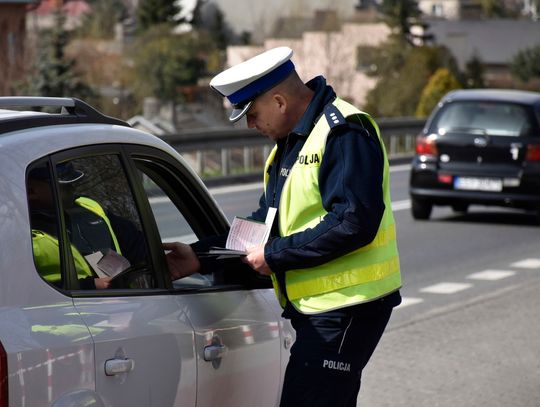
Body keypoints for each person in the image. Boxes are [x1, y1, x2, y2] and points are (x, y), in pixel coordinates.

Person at [165, 46, 402, 406]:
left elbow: (355, 222)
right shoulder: (289, 144)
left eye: (252, 113)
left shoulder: (343, 132)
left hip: (349, 306)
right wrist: (199, 257)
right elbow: (265, 226)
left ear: (278, 101)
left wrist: (274, 256)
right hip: (321, 308)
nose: (250, 124)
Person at [29, 163, 146, 289]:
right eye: (64, 185)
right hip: (72, 306)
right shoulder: (17, 231)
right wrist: (88, 286)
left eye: (72, 183)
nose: (72, 188)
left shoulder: (89, 208)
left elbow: (135, 244)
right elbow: (17, 291)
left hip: (124, 303)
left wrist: (160, 258)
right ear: (31, 191)